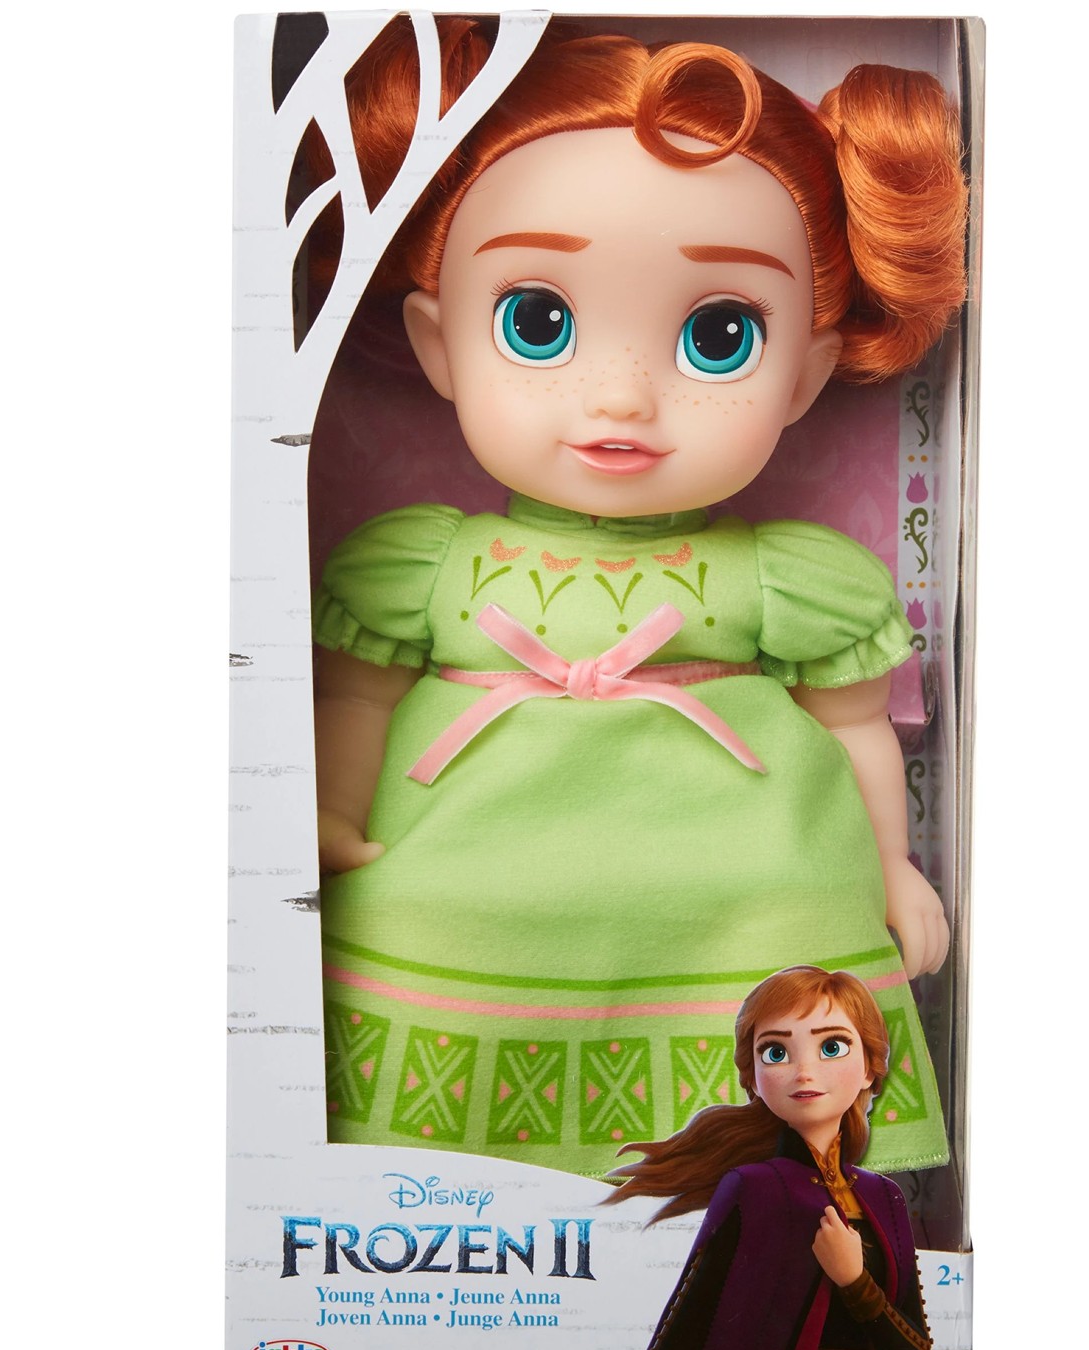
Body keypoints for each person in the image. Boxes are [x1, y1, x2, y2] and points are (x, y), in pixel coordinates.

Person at [311, 19, 966, 1174]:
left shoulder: (784, 577)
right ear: (437, 344)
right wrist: (320, 815)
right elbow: (352, 697)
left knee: (781, 961)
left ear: (805, 373)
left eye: (718, 335)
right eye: (538, 323)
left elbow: (854, 725)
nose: (620, 397)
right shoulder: (426, 563)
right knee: (410, 928)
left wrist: (888, 866)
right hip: (464, 871)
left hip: (737, 878)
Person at [612, 966, 931, 1350]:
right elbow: (690, 1332)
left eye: (831, 1047)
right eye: (776, 1052)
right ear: (753, 1079)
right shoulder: (754, 1188)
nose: (804, 1071)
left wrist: (855, 1281)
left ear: (869, 1069)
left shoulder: (884, 1196)